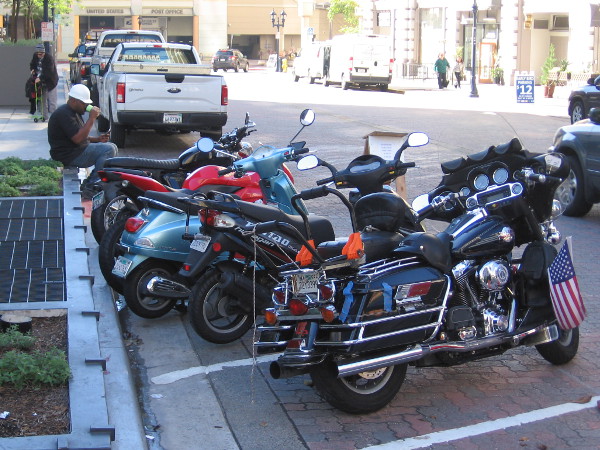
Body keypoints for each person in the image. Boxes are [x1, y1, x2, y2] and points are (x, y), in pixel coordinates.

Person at [48, 84, 118, 198]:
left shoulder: (73, 112)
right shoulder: (64, 114)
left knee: (112, 147)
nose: (86, 106)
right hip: (68, 155)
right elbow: (77, 139)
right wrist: (91, 118)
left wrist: (97, 139)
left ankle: (92, 184)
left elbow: (76, 135)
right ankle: (91, 186)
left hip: (74, 151)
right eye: (84, 104)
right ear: (74, 101)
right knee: (108, 149)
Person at [29, 44, 59, 120]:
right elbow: (32, 64)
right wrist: (32, 69)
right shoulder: (35, 56)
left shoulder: (49, 58)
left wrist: (40, 78)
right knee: (43, 100)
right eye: (38, 54)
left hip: (51, 81)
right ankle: (44, 116)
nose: (40, 55)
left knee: (52, 101)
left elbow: (49, 72)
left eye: (42, 54)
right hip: (41, 82)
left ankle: (54, 118)